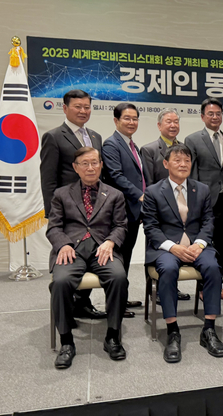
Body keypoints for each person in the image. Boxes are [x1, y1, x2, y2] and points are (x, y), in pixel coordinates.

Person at [142, 144, 223, 363]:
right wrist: (172, 247)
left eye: (187, 160)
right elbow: (150, 227)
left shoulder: (202, 189)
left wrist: (199, 244)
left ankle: (209, 329)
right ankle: (172, 331)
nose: (183, 164)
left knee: (213, 267)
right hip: (167, 248)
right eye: (177, 160)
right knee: (168, 269)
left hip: (197, 245)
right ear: (166, 164)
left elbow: (208, 221)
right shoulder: (153, 192)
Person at [48, 147, 128, 369]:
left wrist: (110, 242)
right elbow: (53, 227)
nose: (90, 167)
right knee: (61, 281)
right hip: (71, 250)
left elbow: (121, 226)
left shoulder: (115, 194)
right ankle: (66, 342)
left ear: (101, 165)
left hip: (103, 249)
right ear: (76, 168)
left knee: (119, 278)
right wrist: (63, 244)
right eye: (85, 163)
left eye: (94, 162)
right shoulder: (61, 194)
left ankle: (112, 336)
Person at [40, 89, 105, 321]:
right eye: (78, 106)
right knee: (69, 258)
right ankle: (66, 305)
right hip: (67, 211)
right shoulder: (53, 136)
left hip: (94, 211)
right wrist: (53, 215)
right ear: (65, 108)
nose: (83, 111)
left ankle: (82, 303)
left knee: (91, 255)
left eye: (87, 106)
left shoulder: (95, 136)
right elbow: (48, 179)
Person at [185, 98, 223, 300]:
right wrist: (195, 200)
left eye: (218, 114)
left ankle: (218, 284)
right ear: (202, 116)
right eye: (210, 114)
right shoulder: (192, 140)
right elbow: (192, 173)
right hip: (205, 201)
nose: (215, 117)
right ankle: (202, 288)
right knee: (204, 244)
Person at [140, 108, 190, 301]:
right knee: (158, 248)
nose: (173, 125)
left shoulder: (184, 148)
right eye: (169, 121)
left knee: (176, 250)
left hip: (181, 210)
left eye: (176, 121)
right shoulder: (150, 149)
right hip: (158, 209)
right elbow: (148, 182)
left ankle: (171, 287)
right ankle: (156, 291)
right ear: (159, 125)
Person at [102, 103, 146, 316]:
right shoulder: (111, 145)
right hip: (120, 211)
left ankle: (122, 298)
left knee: (126, 256)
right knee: (118, 259)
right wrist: (140, 195)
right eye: (127, 118)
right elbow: (116, 176)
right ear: (116, 120)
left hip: (134, 211)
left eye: (135, 118)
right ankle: (115, 305)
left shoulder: (132, 145)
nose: (131, 122)